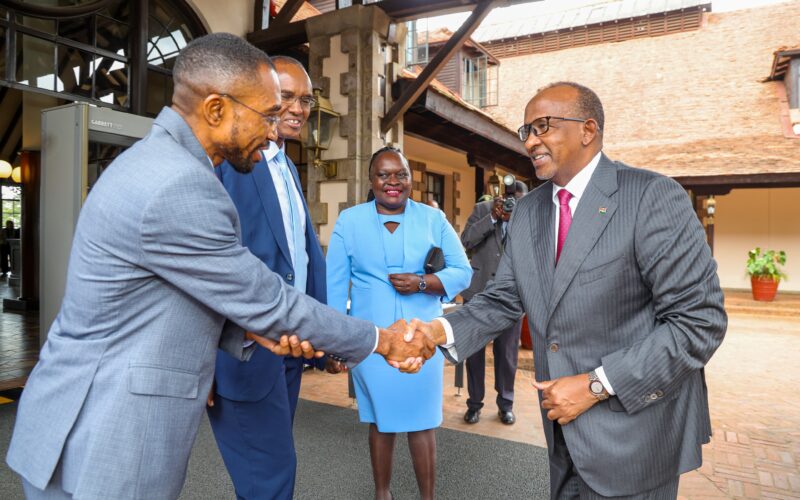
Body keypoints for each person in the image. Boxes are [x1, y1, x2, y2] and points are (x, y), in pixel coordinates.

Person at [6, 33, 435, 500]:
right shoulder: (179, 186)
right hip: (104, 432)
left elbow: (162, 298)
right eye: (267, 115)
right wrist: (381, 340)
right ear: (215, 110)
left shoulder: (160, 163)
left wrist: (248, 331)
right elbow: (265, 297)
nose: (275, 131)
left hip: (90, 422)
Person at [413, 82, 727, 498]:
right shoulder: (527, 212)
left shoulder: (651, 197)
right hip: (562, 436)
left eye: (543, 126)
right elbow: (505, 297)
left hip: (634, 436)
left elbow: (699, 321)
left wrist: (597, 384)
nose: (530, 140)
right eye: (525, 131)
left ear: (588, 129)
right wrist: (439, 331)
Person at [207, 55, 331, 500]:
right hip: (244, 349)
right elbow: (207, 267)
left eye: (306, 100)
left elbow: (301, 254)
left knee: (271, 473)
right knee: (271, 478)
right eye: (287, 97)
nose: (298, 108)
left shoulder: (289, 167)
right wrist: (203, 361)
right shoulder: (229, 162)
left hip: (290, 348)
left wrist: (322, 337)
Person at [326, 147, 472, 500]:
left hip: (423, 340)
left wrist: (422, 283)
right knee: (380, 418)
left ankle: (427, 497)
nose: (393, 182)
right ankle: (382, 494)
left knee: (422, 421)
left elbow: (463, 272)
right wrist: (335, 341)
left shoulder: (433, 220)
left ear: (409, 179)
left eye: (401, 174)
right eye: (384, 175)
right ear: (372, 180)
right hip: (372, 340)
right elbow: (334, 284)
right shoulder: (349, 221)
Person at [461, 181, 528, 426]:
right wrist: (491, 217)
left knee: (507, 355)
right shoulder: (482, 210)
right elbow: (466, 240)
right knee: (474, 354)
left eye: (518, 200)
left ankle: (505, 404)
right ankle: (474, 404)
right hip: (478, 292)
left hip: (510, 296)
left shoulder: (527, 216)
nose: (513, 203)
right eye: (510, 198)